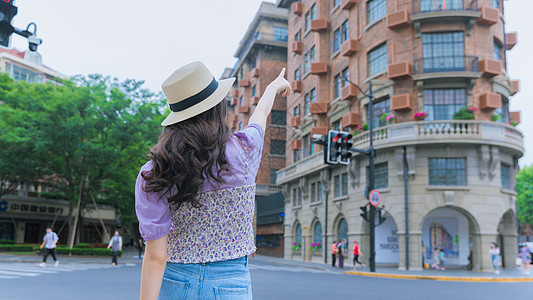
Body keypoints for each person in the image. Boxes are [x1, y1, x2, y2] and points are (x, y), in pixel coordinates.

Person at [135, 62, 291, 299]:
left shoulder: (155, 172)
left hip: (175, 281)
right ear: (219, 109)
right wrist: (272, 88)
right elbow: (259, 118)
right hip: (231, 284)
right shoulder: (244, 150)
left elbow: (156, 258)